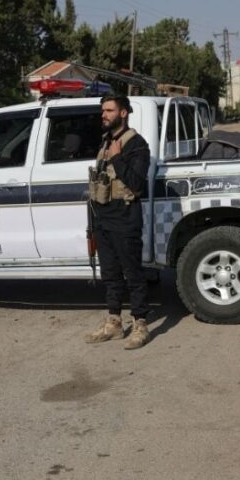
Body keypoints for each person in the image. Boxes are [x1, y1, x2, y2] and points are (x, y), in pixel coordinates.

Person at [84, 95, 153, 349]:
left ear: (123, 113)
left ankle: (140, 324)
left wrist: (117, 158)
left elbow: (135, 183)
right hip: (103, 218)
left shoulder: (137, 145)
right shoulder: (105, 141)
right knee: (110, 274)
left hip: (125, 218)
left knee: (133, 274)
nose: (104, 114)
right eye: (103, 110)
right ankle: (114, 323)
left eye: (109, 110)